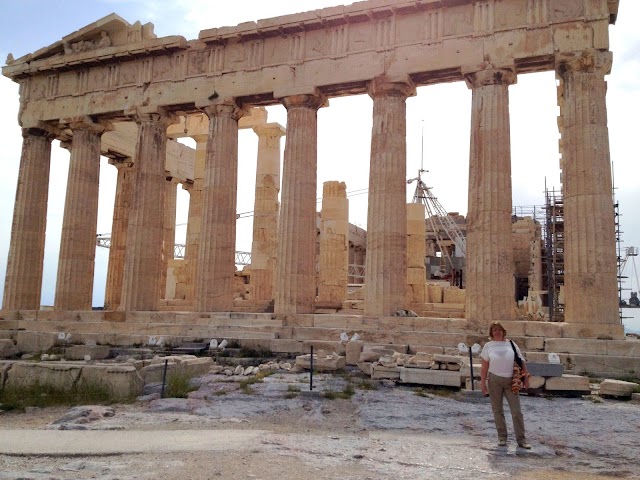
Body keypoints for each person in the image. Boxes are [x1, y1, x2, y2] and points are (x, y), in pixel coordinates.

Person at [480, 321, 531, 449]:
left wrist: (525, 378)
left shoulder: (511, 344)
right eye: (494, 330)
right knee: (497, 410)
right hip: (494, 380)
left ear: (503, 331)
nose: (497, 332)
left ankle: (521, 440)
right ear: (491, 333)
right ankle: (502, 437)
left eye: (499, 330)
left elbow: (521, 361)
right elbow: (484, 365)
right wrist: (483, 383)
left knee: (517, 411)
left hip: (511, 381)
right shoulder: (488, 345)